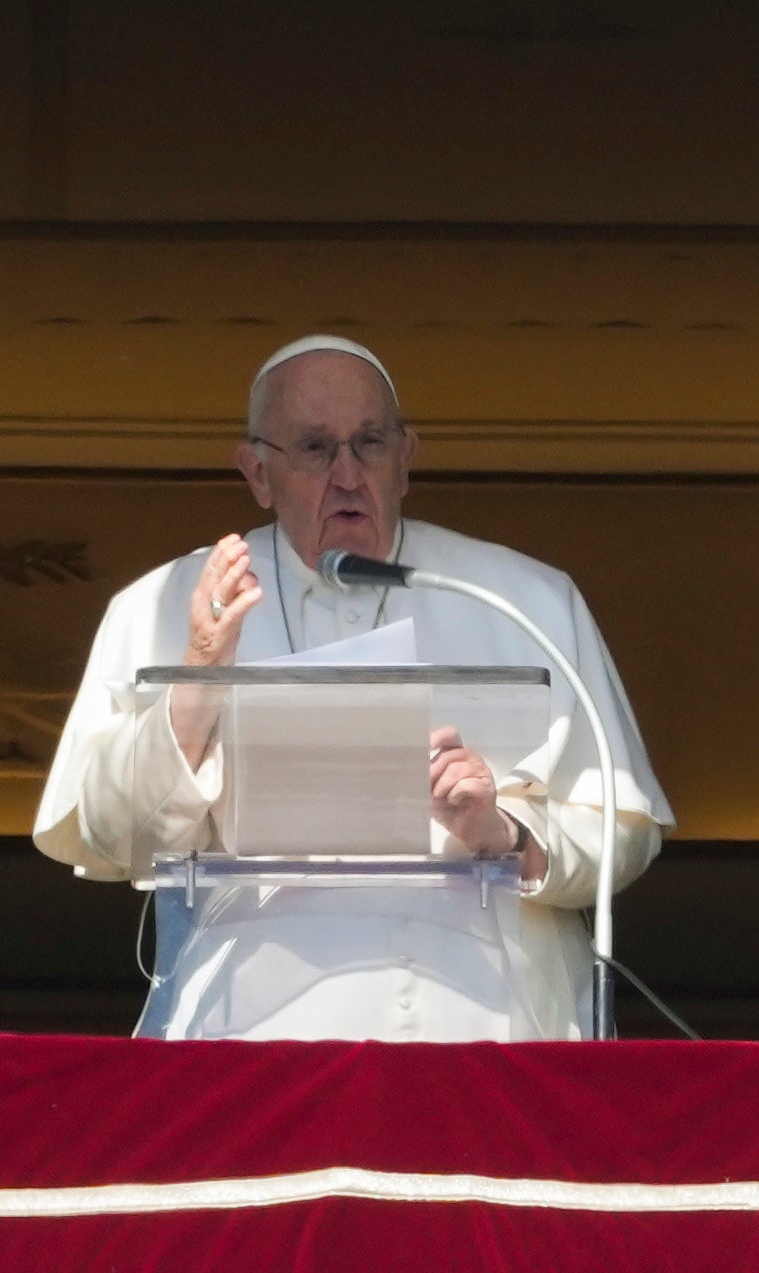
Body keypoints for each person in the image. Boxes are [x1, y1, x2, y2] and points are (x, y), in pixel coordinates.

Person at [34, 334, 673, 1040]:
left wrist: (505, 833)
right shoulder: (165, 604)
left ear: (406, 460)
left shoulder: (523, 599)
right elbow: (105, 832)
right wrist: (198, 681)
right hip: (255, 1038)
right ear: (258, 473)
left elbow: (623, 830)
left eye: (369, 443)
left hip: (490, 1026)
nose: (346, 474)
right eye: (314, 449)